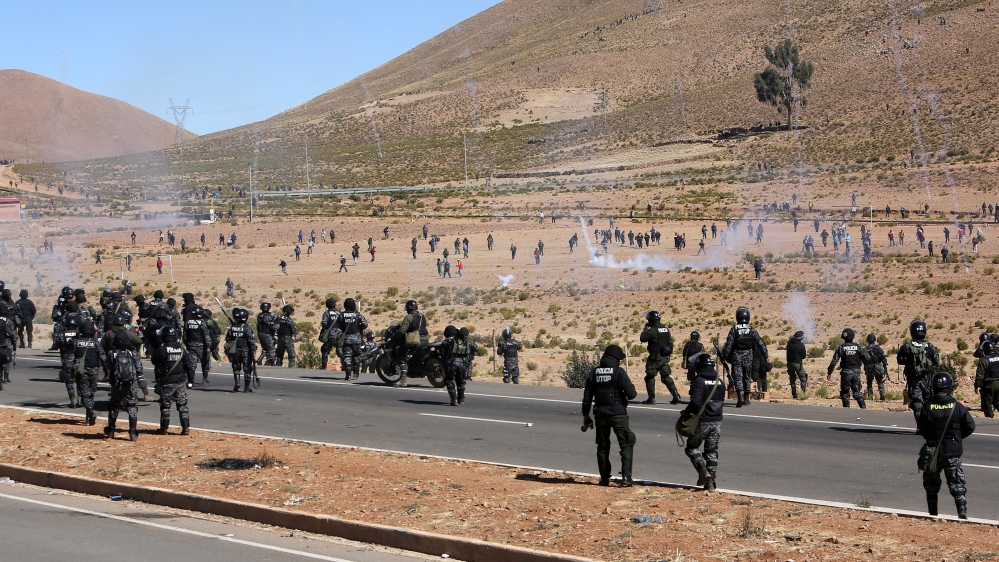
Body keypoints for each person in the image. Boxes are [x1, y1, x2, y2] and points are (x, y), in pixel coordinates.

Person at [918, 372, 975, 519]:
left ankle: (933, 513)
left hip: (933, 452)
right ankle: (962, 512)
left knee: (931, 484)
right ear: (949, 387)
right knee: (957, 483)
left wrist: (932, 439)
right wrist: (956, 438)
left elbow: (922, 429)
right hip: (952, 450)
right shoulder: (957, 407)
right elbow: (970, 426)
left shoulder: (927, 406)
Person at [582, 344, 638, 487]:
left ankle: (604, 478)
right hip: (618, 413)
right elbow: (632, 394)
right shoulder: (619, 372)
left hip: (600, 415)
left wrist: (586, 415)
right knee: (626, 443)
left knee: (602, 447)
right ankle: (626, 476)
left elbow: (587, 396)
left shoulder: (594, 372)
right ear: (616, 359)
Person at [682, 353, 725, 491]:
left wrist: (686, 413)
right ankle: (710, 483)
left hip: (703, 421)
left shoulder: (698, 381)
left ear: (699, 367)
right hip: (717, 421)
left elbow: (695, 403)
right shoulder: (720, 381)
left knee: (691, 448)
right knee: (711, 452)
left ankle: (703, 471)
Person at [103, 313, 145, 440]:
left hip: (117, 383)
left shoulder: (112, 353)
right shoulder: (133, 353)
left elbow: (109, 367)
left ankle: (111, 430)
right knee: (132, 407)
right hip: (130, 383)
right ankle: (132, 432)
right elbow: (139, 369)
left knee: (114, 405)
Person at [721, 307, 768, 407]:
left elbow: (728, 345)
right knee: (747, 377)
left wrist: (724, 357)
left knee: (738, 377)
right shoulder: (751, 330)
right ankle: (746, 399)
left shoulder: (734, 330)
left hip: (736, 356)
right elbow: (760, 343)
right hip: (748, 356)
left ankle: (740, 398)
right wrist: (766, 356)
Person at [897, 320, 941, 422]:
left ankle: (921, 426)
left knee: (917, 401)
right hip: (928, 378)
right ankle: (930, 424)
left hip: (913, 379)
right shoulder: (929, 346)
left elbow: (900, 360)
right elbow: (936, 360)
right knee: (929, 400)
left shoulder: (906, 346)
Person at [152, 325, 191, 435]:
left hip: (167, 382)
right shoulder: (182, 350)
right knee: (182, 405)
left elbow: (154, 360)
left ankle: (164, 429)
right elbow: (189, 366)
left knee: (165, 406)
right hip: (180, 381)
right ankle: (186, 428)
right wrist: (191, 381)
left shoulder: (162, 349)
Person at [639, 310, 679, 404]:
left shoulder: (653, 330)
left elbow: (642, 338)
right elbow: (670, 344)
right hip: (664, 357)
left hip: (655, 358)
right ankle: (676, 395)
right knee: (665, 376)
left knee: (649, 377)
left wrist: (645, 329)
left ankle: (651, 398)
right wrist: (667, 356)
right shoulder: (665, 329)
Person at [72, 319, 104, 425]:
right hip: (94, 371)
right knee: (91, 394)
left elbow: (71, 355)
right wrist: (108, 371)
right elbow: (103, 357)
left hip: (82, 372)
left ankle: (90, 412)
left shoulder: (76, 342)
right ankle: (88, 418)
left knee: (84, 395)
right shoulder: (96, 342)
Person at [827, 328, 868, 408]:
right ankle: (863, 407)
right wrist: (861, 363)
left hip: (846, 372)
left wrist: (829, 372)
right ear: (853, 336)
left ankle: (846, 410)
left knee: (845, 392)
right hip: (856, 372)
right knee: (857, 391)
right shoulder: (858, 347)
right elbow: (867, 357)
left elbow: (834, 361)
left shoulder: (841, 348)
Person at [395, 300, 429, 387]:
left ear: (408, 308)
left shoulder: (409, 317)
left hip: (415, 340)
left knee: (403, 357)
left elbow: (403, 330)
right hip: (425, 339)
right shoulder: (422, 316)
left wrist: (396, 335)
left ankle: (403, 380)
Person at [334, 298, 368, 380]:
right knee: (356, 355)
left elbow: (338, 327)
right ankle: (356, 372)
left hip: (346, 339)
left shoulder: (341, 315)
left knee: (347, 356)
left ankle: (348, 373)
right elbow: (365, 324)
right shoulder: (357, 314)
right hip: (356, 339)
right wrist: (360, 327)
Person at [225, 308, 257, 392]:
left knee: (236, 368)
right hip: (246, 351)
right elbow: (251, 340)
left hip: (235, 351)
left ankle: (237, 383)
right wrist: (253, 351)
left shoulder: (232, 328)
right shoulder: (247, 328)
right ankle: (246, 387)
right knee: (247, 369)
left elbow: (228, 339)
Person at [58, 302, 83, 407]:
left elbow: (57, 344)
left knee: (69, 380)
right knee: (80, 379)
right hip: (78, 358)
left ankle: (73, 400)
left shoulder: (62, 333)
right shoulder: (79, 335)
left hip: (66, 358)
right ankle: (80, 399)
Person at [183, 305, 212, 384]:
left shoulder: (187, 323)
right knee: (205, 363)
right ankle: (205, 379)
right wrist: (208, 346)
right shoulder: (202, 323)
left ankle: (191, 380)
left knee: (192, 364)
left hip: (191, 346)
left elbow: (185, 336)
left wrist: (187, 344)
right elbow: (206, 335)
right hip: (201, 346)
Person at [974, 341, 999, 417]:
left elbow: (980, 374)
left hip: (989, 385)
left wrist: (977, 385)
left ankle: (989, 422)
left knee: (987, 405)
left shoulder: (984, 360)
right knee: (997, 402)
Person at [863, 333, 889, 401]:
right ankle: (882, 395)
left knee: (869, 383)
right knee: (880, 382)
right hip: (877, 367)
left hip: (869, 368)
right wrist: (884, 366)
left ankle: (870, 396)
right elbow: (883, 358)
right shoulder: (878, 348)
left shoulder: (865, 349)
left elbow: (862, 359)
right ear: (875, 340)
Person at [318, 298, 341, 370]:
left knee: (325, 350)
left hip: (330, 336)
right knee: (341, 351)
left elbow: (324, 323)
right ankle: (345, 367)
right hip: (339, 336)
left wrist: (324, 331)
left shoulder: (326, 313)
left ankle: (324, 367)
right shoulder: (339, 313)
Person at [786, 331, 808, 399]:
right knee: (803, 378)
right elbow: (803, 356)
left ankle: (794, 394)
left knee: (792, 379)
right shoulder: (801, 345)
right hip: (797, 364)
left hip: (789, 364)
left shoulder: (789, 343)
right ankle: (802, 394)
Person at [0, 305, 16, 390]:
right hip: (6, 344)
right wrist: (15, 345)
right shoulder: (8, 321)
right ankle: (6, 378)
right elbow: (13, 334)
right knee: (6, 361)